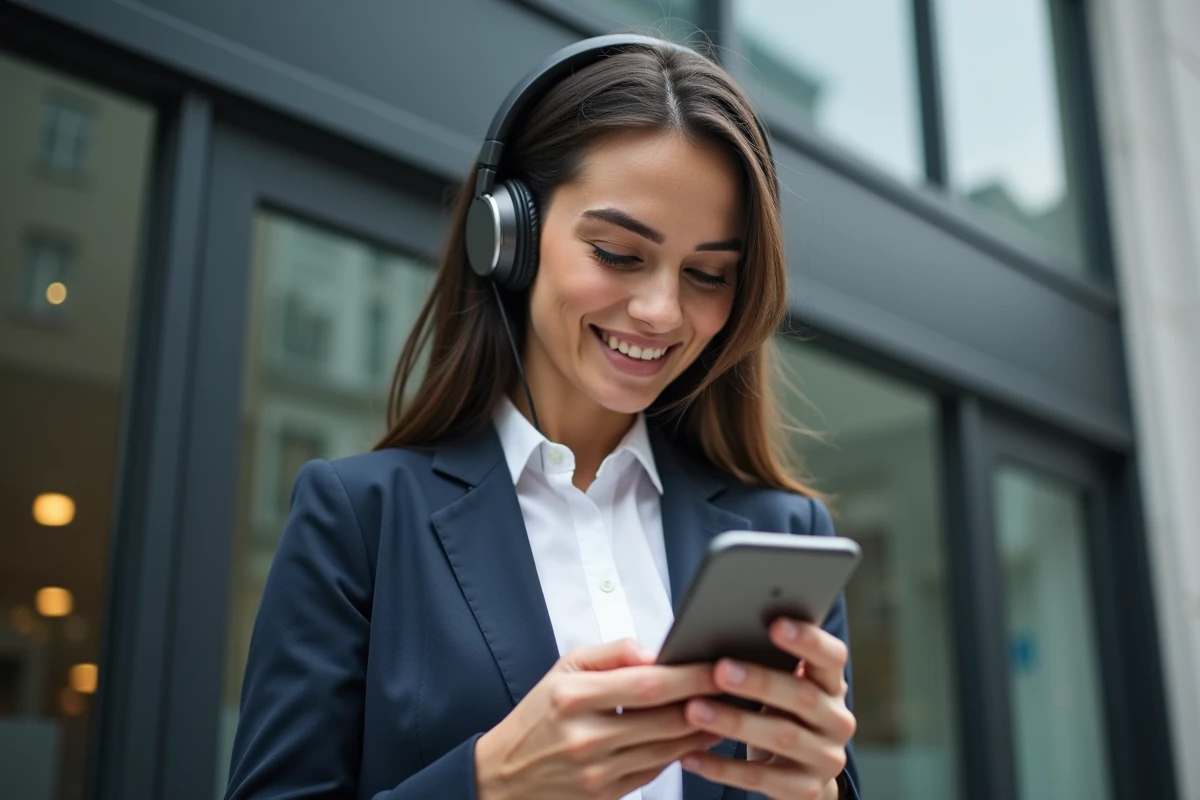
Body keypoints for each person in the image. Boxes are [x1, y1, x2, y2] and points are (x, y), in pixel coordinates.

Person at [224, 34, 860, 800]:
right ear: (509, 237)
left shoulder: (783, 536)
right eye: (619, 253)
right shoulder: (360, 520)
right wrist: (491, 782)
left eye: (707, 274)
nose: (662, 311)